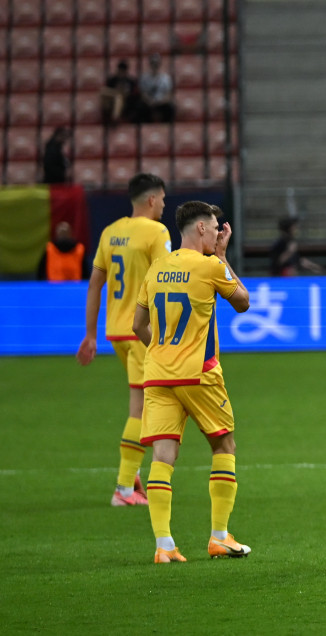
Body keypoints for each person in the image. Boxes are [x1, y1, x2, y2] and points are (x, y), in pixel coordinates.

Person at [132, 202, 251, 564]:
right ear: (201, 228)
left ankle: (164, 545)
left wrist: (163, 352)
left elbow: (138, 325)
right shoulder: (209, 265)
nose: (218, 234)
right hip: (199, 372)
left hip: (157, 373)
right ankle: (220, 537)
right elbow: (243, 302)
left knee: (163, 456)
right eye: (215, 228)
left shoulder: (156, 268)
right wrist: (222, 256)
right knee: (224, 445)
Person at [77, 174, 172, 507]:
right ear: (151, 199)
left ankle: (131, 477)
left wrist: (90, 334)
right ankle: (124, 488)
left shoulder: (111, 232)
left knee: (142, 403)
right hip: (143, 331)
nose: (164, 204)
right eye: (162, 198)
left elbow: (94, 284)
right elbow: (167, 281)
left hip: (116, 331)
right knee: (143, 409)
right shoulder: (157, 232)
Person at [100, 60, 141, 125]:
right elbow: (104, 91)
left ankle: (115, 118)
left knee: (118, 98)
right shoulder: (112, 80)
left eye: (123, 70)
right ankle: (110, 116)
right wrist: (117, 93)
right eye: (120, 70)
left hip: (126, 103)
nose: (121, 72)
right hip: (112, 102)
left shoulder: (130, 81)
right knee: (106, 93)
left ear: (126, 71)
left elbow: (134, 95)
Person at [140, 54, 175, 123]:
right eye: (153, 63)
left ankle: (167, 126)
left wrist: (160, 101)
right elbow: (143, 93)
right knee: (140, 107)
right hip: (149, 102)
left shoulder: (166, 78)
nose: (155, 65)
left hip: (162, 102)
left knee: (171, 107)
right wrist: (149, 101)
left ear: (159, 64)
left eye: (156, 63)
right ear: (150, 64)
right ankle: (145, 126)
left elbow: (169, 94)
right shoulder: (144, 78)